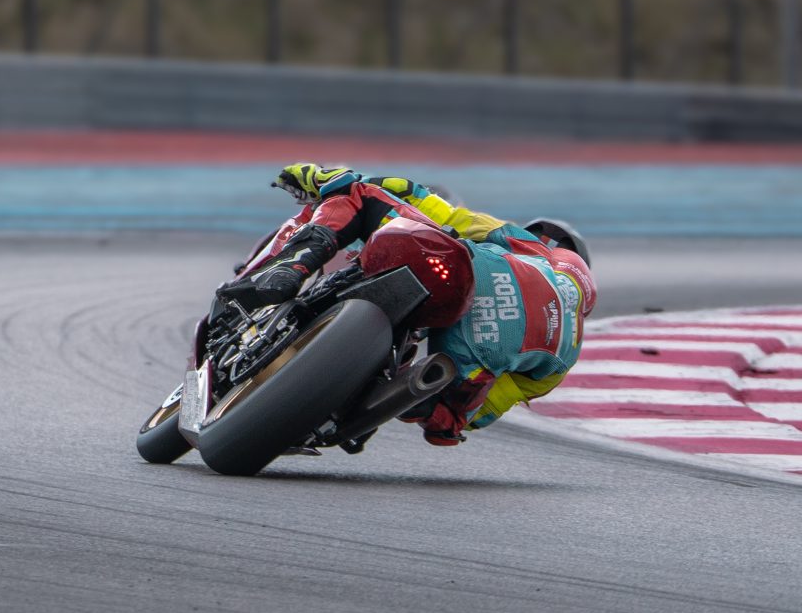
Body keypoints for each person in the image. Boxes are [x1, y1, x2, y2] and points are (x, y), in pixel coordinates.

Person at [216, 164, 595, 446]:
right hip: (480, 350)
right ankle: (374, 400)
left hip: (475, 276)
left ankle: (292, 268)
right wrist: (439, 417)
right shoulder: (565, 357)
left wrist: (338, 180)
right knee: (446, 415)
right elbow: (477, 416)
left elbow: (446, 214)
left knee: (359, 193)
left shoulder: (533, 248)